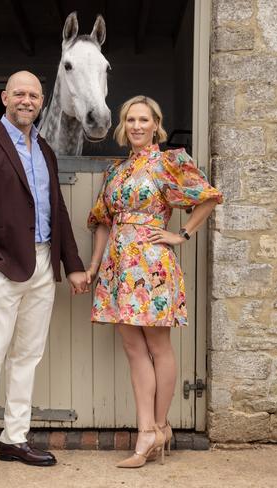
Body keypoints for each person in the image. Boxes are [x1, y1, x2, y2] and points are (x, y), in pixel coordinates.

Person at [0, 70, 89, 479]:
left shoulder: (44, 149)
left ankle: (14, 438)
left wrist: (74, 264)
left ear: (41, 101)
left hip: (43, 265)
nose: (27, 100)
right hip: (2, 266)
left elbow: (57, 211)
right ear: (5, 97)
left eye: (34, 95)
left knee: (27, 356)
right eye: (20, 94)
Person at [85, 95, 223, 468]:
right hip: (118, 266)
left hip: (152, 265)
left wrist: (183, 234)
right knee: (133, 348)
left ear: (156, 124)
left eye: (144, 120)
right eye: (130, 120)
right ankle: (147, 429)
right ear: (123, 125)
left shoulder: (169, 162)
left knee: (158, 347)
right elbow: (101, 220)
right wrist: (95, 267)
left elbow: (208, 197)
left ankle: (159, 426)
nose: (137, 126)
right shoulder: (115, 171)